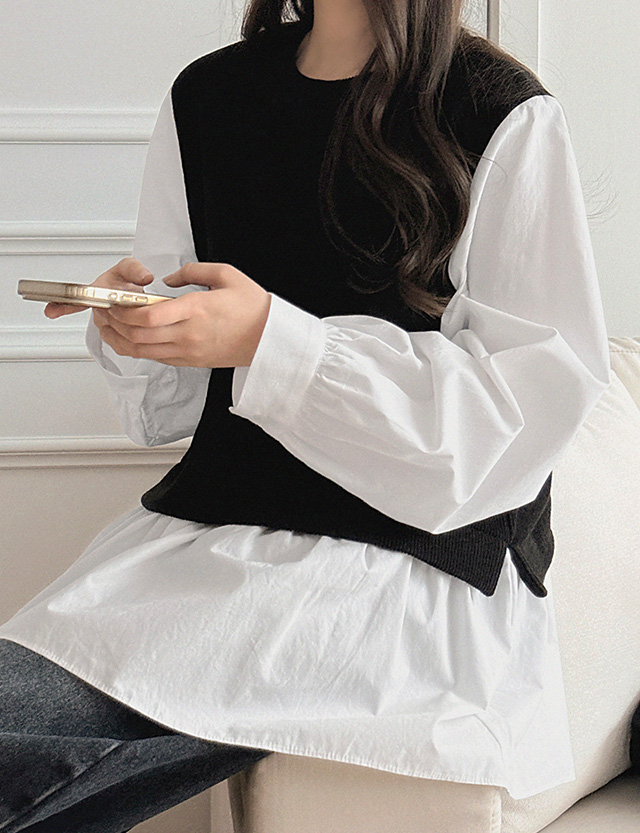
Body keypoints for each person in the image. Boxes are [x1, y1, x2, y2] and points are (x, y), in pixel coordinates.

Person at [0, 0, 611, 831]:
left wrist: (269, 338)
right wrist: (142, 329)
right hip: (208, 544)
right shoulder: (209, 97)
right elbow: (165, 411)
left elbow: (511, 425)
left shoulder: (498, 111)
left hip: (397, 567)